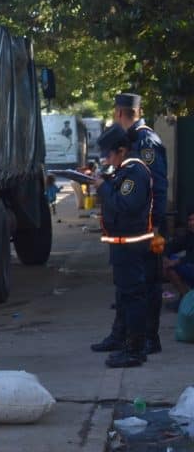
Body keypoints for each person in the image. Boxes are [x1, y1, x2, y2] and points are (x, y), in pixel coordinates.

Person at [90, 124, 153, 368]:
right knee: (124, 295)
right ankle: (123, 340)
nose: (107, 159)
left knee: (133, 296)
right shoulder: (124, 170)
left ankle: (135, 350)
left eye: (109, 154)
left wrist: (103, 187)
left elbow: (126, 205)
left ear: (122, 150)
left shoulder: (135, 171)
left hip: (131, 244)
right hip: (121, 243)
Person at [112, 92, 168, 355]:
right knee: (130, 283)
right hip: (135, 227)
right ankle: (122, 334)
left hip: (147, 228)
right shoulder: (133, 139)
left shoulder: (145, 141)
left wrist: (154, 224)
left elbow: (157, 186)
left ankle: (148, 338)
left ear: (119, 113)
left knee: (147, 282)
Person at [162, 208, 194, 308]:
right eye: (190, 220)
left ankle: (188, 302)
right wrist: (165, 257)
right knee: (168, 264)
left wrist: (177, 262)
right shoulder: (189, 235)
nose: (191, 223)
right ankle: (187, 299)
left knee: (172, 266)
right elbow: (172, 246)